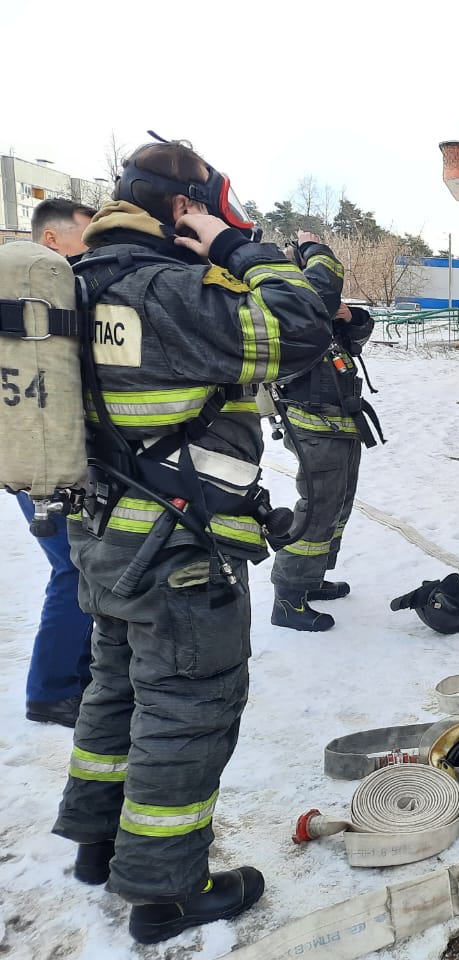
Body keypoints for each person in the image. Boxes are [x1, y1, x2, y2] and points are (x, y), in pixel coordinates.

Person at [51, 138, 338, 944]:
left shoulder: (77, 287)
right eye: (207, 208)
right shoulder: (171, 290)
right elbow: (298, 328)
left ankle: (97, 845)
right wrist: (241, 248)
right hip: (178, 550)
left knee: (117, 693)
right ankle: (166, 891)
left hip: (105, 538)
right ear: (183, 207)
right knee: (187, 709)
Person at [13, 199, 97, 727]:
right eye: (88, 240)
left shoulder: (37, 309)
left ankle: (73, 674)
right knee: (72, 570)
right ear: (51, 241)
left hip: (41, 450)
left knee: (75, 569)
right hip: (41, 457)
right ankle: (51, 690)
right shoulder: (33, 305)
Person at [269, 298, 378, 631]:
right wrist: (315, 313)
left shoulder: (323, 318)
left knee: (338, 507)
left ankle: (310, 578)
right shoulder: (287, 309)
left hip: (341, 424)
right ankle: (288, 597)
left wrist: (352, 316)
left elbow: (357, 338)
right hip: (314, 428)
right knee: (317, 511)